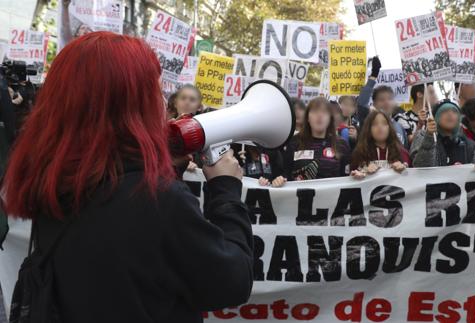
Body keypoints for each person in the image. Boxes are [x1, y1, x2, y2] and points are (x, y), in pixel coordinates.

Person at [1, 32, 253, 323]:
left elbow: (121, 250)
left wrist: (163, 171)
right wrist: (226, 190)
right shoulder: (158, 199)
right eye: (155, 93)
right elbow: (232, 281)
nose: (162, 104)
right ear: (129, 106)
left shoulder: (52, 178)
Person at [276, 97, 351, 186]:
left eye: (324, 112)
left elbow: (346, 179)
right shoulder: (294, 143)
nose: (320, 115)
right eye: (315, 112)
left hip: (331, 198)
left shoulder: (341, 145)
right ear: (307, 118)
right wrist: (279, 180)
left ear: (330, 119)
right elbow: (286, 174)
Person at [410, 100, 475, 167]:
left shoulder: (469, 146)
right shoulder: (422, 136)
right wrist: (429, 137)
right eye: (444, 111)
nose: (450, 114)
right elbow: (420, 166)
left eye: (454, 111)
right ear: (436, 117)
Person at [356, 57, 408, 147]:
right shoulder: (368, 122)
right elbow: (361, 104)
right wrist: (373, 75)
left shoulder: (400, 127)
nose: (386, 102)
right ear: (374, 103)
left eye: (389, 99)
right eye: (381, 100)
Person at [350, 110, 409, 179]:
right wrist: (361, 172)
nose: (380, 126)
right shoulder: (359, 153)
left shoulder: (401, 152)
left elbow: (412, 178)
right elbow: (350, 180)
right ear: (368, 129)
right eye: (374, 124)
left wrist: (403, 168)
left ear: (390, 128)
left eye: (384, 123)